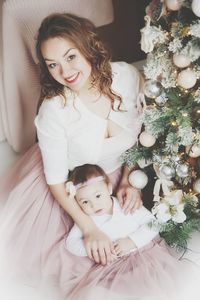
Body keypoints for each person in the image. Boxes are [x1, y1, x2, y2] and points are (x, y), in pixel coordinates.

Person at [34, 12, 144, 266]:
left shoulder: (126, 76)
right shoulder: (53, 111)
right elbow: (57, 181)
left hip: (117, 179)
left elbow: (141, 132)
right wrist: (89, 229)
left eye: (70, 56)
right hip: (78, 188)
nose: (64, 72)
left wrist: (130, 179)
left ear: (88, 48)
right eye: (52, 64)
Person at [65, 164, 159, 258]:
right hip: (111, 264)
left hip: (142, 253)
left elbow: (153, 224)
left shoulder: (125, 204)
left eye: (98, 196)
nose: (94, 205)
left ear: (109, 189)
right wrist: (97, 250)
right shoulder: (86, 219)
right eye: (85, 202)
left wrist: (132, 242)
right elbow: (71, 243)